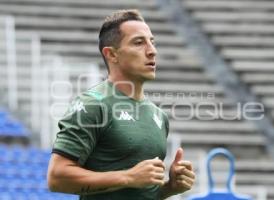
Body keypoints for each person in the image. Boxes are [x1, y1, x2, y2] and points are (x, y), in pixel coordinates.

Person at [47, 9, 195, 200]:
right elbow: (56, 177)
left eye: (152, 41)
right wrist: (128, 177)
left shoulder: (158, 116)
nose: (152, 51)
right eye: (139, 42)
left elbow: (139, 192)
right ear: (111, 54)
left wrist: (169, 188)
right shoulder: (93, 104)